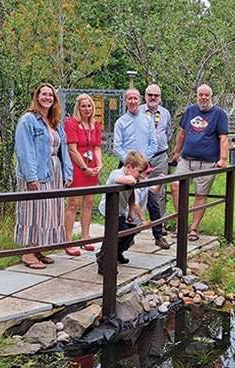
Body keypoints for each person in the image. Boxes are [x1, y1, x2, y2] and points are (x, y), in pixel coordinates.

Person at [14, 83, 73, 269]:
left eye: (51, 95)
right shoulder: (28, 120)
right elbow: (24, 151)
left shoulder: (54, 121)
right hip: (36, 172)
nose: (47, 98)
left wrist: (67, 172)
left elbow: (63, 148)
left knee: (48, 212)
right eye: (44, 94)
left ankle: (38, 248)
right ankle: (27, 253)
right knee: (34, 210)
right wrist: (31, 177)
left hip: (53, 172)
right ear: (37, 97)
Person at [169, 84, 229, 242]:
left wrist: (223, 159)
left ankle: (194, 228)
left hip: (207, 162)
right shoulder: (190, 111)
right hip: (186, 159)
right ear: (196, 96)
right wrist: (176, 152)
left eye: (206, 95)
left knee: (200, 195)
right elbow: (181, 133)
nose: (203, 98)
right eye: (200, 95)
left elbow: (223, 138)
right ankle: (180, 224)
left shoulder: (219, 114)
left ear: (211, 96)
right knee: (175, 185)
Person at [96, 150, 148, 275]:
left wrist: (131, 211)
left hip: (120, 211)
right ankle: (104, 260)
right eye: (139, 172)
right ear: (129, 167)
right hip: (109, 209)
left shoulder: (132, 177)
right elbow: (125, 180)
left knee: (130, 231)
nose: (140, 175)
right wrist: (133, 179)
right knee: (115, 235)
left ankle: (116, 253)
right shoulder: (116, 173)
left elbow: (131, 196)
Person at [63, 94, 103, 257]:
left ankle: (85, 237)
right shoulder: (71, 123)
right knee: (73, 202)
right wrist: (84, 167)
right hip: (78, 167)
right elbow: (72, 149)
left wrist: (99, 164)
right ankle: (68, 240)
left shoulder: (96, 125)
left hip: (91, 167)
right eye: (83, 106)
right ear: (78, 107)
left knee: (88, 202)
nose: (86, 109)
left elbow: (97, 147)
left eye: (89, 106)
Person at [139, 84, 172, 250]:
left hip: (160, 157)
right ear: (145, 96)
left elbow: (168, 133)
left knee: (159, 192)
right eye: (149, 94)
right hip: (142, 159)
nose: (152, 98)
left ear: (160, 97)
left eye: (156, 95)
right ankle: (136, 224)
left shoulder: (165, 113)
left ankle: (159, 226)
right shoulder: (138, 111)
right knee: (138, 192)